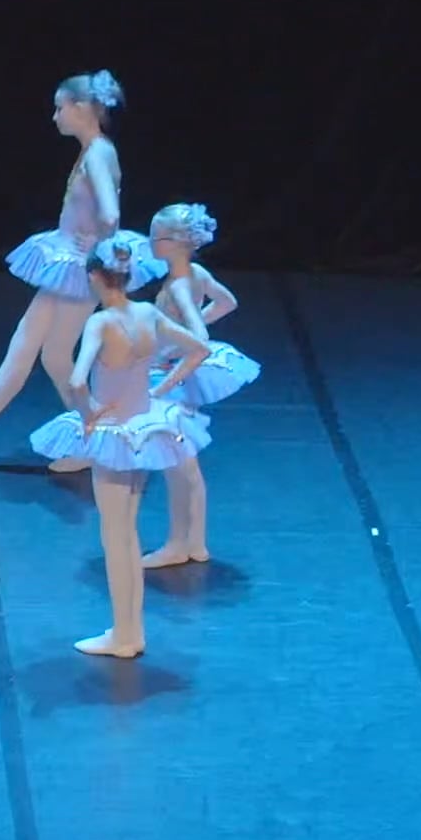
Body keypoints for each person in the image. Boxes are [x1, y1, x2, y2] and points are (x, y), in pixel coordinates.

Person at [24, 230, 211, 657]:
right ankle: (129, 631)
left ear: (94, 276)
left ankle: (126, 635)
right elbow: (198, 348)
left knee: (117, 537)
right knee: (127, 531)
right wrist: (161, 391)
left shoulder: (101, 322)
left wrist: (89, 414)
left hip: (114, 435)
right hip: (143, 430)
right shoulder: (146, 313)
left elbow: (75, 379)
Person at [0, 72, 123, 465]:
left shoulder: (99, 153)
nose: (55, 117)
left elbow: (111, 212)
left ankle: (91, 435)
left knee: (37, 350)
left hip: (77, 267)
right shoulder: (95, 150)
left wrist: (97, 243)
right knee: (48, 355)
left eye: (60, 108)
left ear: (81, 109)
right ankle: (90, 433)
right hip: (74, 262)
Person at [141, 201, 259, 569]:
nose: (150, 242)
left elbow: (200, 341)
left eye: (155, 236)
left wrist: (163, 380)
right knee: (185, 466)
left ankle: (180, 544)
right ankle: (195, 542)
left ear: (175, 242)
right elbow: (228, 303)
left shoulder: (178, 285)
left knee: (179, 467)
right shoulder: (197, 273)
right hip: (175, 374)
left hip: (169, 381)